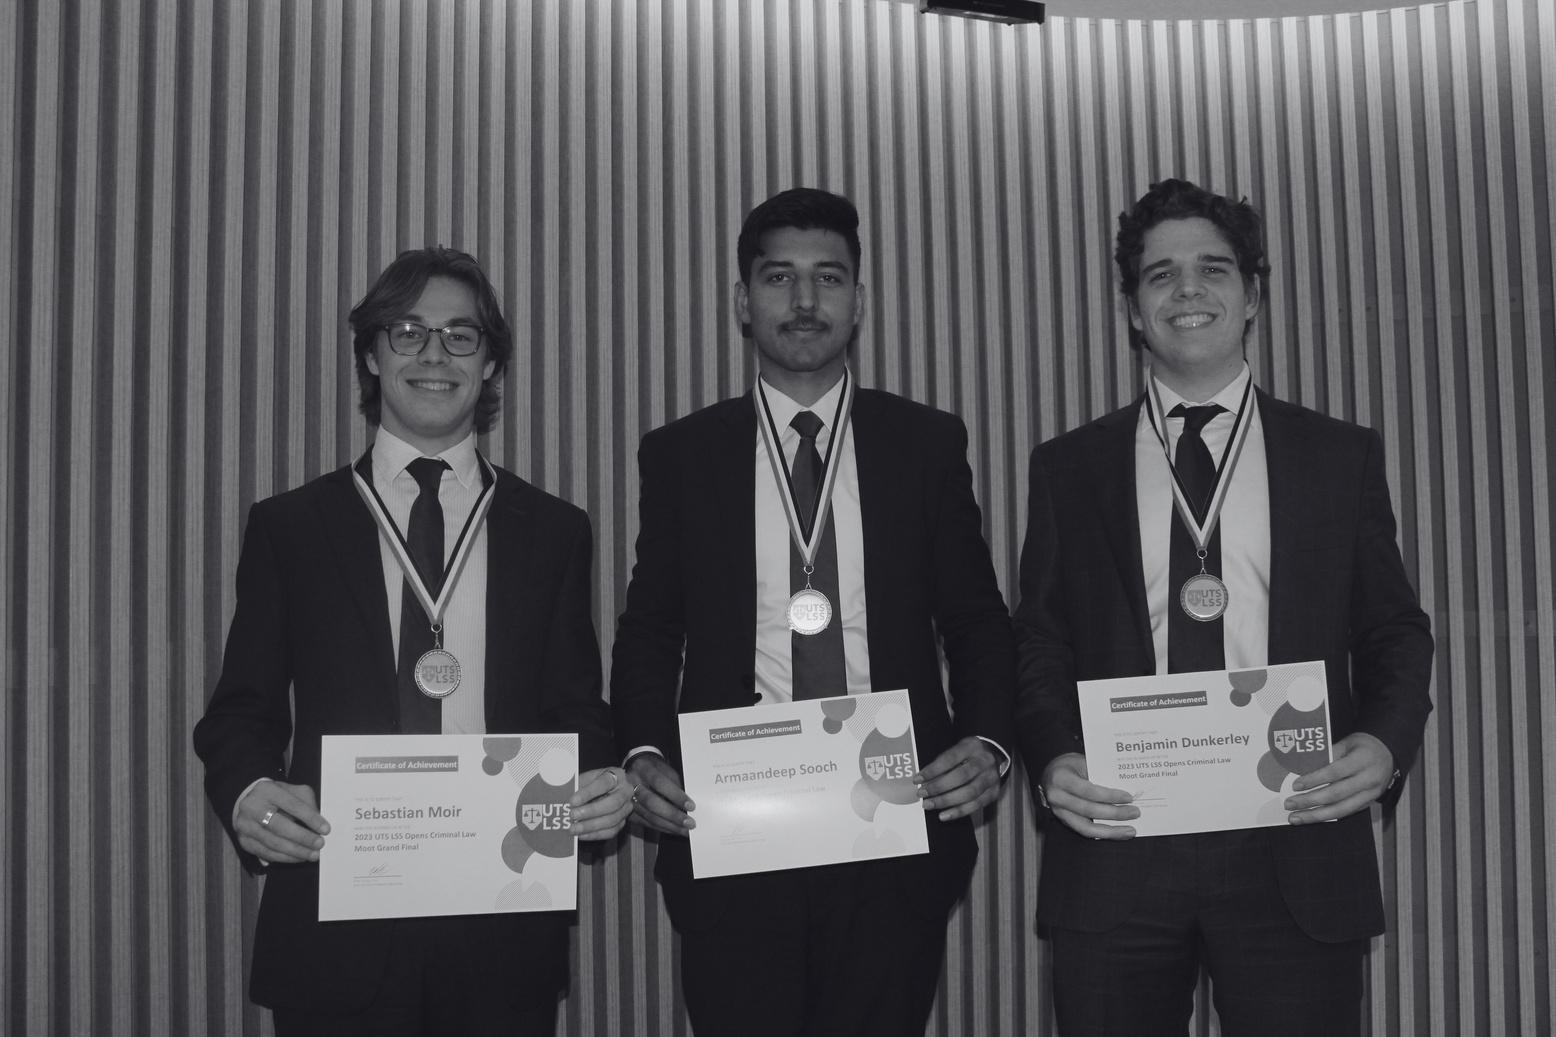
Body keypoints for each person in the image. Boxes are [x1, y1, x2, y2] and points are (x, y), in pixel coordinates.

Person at [1013, 178, 1434, 1036]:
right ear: (1133, 310)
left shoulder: (1337, 455)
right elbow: (1040, 641)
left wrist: (1385, 744)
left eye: (1213, 268)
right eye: (1160, 274)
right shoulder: (1068, 467)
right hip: (1119, 835)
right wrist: (1054, 757)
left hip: (1295, 832)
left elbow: (1394, 629)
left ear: (1253, 296)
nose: (1188, 290)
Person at [193, 246, 633, 1036]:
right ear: (372, 353)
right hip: (338, 917)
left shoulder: (554, 530)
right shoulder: (292, 527)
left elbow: (575, 706)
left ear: (490, 362)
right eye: (408, 331)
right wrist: (250, 789)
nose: (435, 354)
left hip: (502, 921)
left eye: (461, 335)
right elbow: (239, 713)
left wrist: (599, 778)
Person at [610, 187, 1016, 1036]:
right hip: (735, 823)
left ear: (858, 301)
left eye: (828, 278)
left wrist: (988, 740)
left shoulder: (925, 443)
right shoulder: (683, 454)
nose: (804, 300)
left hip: (893, 823)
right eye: (778, 277)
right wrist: (643, 752)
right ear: (742, 301)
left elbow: (977, 622)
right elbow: (651, 628)